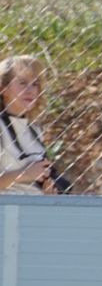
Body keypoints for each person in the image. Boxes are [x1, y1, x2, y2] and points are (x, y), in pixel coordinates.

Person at [0, 55, 64, 194]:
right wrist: (25, 174)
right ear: (3, 89)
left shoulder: (34, 129)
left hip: (33, 209)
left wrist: (48, 191)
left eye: (35, 84)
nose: (30, 90)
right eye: (22, 82)